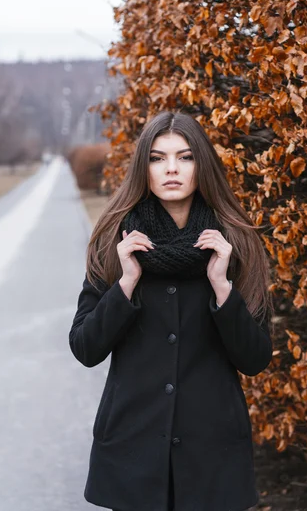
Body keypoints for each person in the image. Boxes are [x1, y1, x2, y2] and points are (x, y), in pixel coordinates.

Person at [69, 110, 275, 511]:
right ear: (143, 167)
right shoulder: (115, 241)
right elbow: (85, 347)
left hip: (212, 455)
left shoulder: (235, 244)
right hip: (132, 452)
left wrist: (221, 286)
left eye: (185, 157)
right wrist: (125, 283)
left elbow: (255, 358)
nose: (172, 169)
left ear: (202, 164)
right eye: (157, 158)